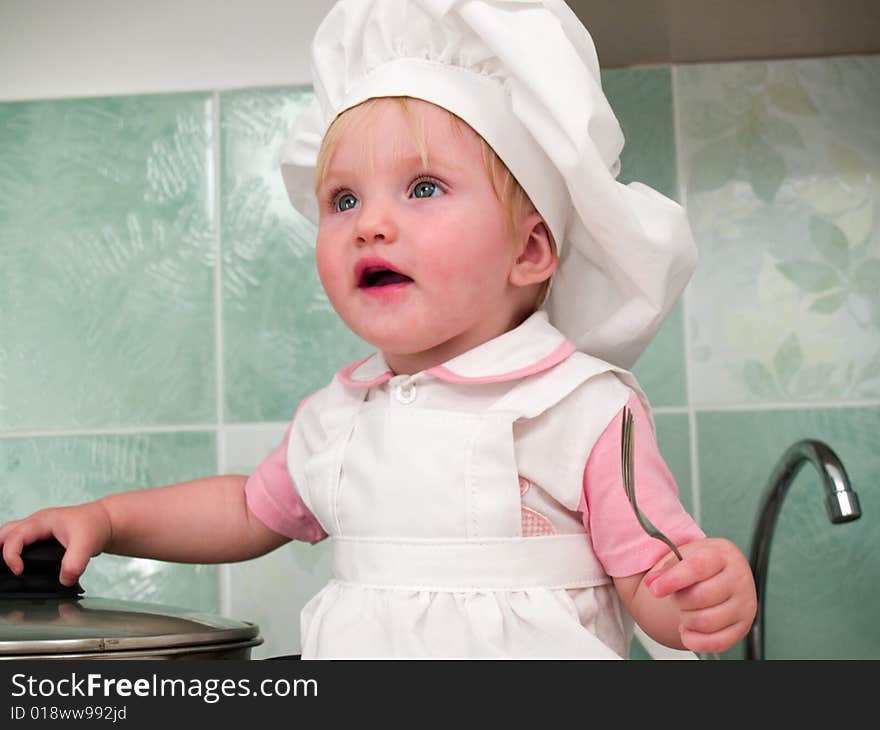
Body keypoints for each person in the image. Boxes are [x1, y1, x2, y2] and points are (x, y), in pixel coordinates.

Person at [0, 0, 756, 659]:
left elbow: (649, 578)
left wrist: (700, 597)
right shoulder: (342, 416)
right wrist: (106, 520)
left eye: (423, 187)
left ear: (529, 250)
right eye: (343, 200)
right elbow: (244, 510)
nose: (372, 225)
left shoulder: (583, 408)